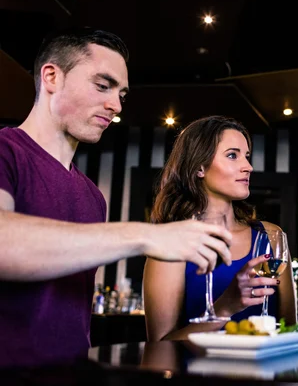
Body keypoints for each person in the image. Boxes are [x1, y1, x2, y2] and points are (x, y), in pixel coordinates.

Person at [0, 27, 232, 367]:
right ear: (51, 76)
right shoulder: (6, 151)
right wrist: (145, 235)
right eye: (102, 85)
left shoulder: (92, 196)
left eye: (121, 94)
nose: (115, 105)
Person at [143, 116, 297, 341]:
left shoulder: (270, 237)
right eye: (232, 155)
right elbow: (158, 347)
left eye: (246, 156)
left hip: (265, 375)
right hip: (198, 375)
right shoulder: (171, 245)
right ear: (199, 168)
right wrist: (224, 308)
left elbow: (289, 331)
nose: (248, 167)